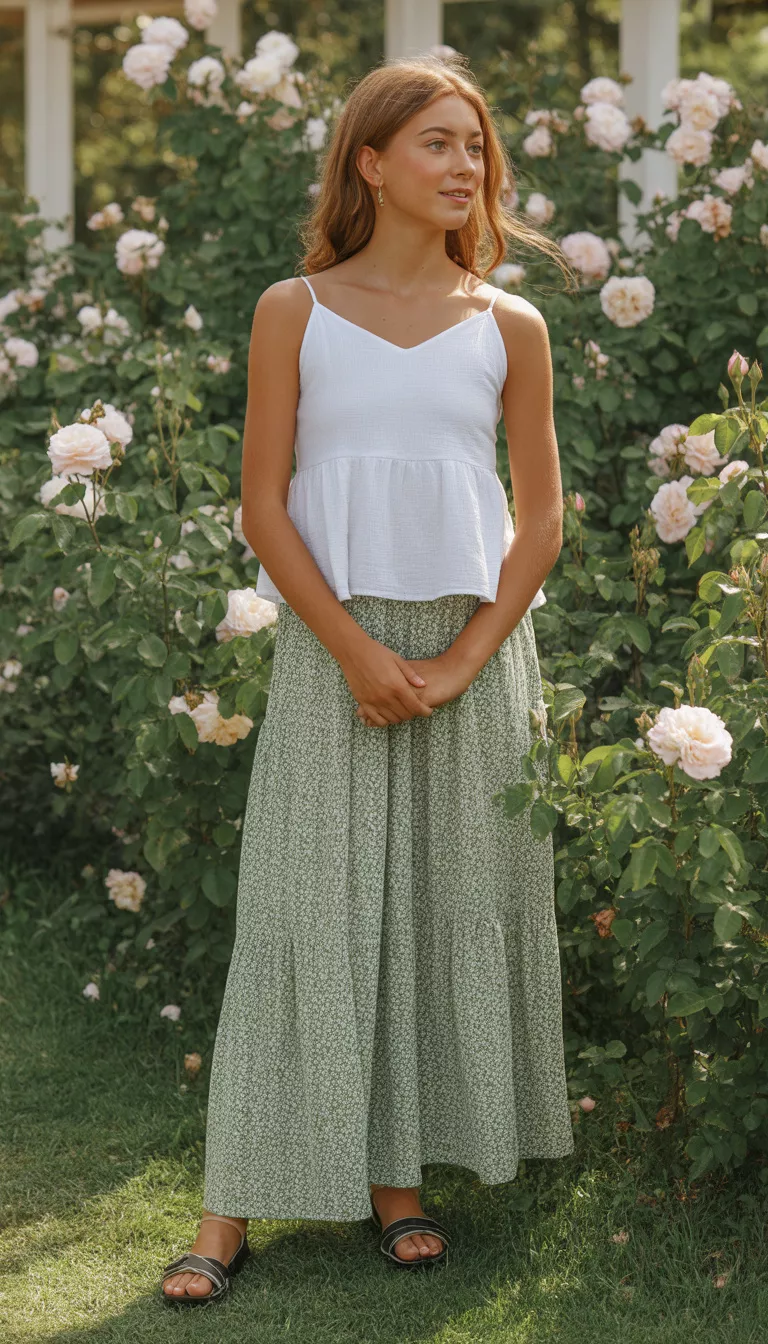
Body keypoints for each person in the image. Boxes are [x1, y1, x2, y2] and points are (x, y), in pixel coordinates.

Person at [161, 50, 576, 1306]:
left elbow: (543, 518)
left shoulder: (512, 325)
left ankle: (398, 1186)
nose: (467, 168)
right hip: (332, 646)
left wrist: (456, 660)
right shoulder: (296, 307)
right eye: (440, 144)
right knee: (303, 912)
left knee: (440, 906)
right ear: (372, 162)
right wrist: (356, 650)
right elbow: (262, 503)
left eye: (476, 149)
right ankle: (227, 1206)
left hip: (472, 655)